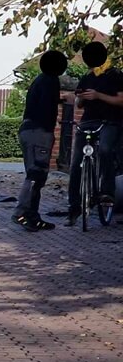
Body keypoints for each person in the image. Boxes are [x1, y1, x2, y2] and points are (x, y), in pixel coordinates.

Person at [65, 40, 123, 226]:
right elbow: (79, 104)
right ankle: (74, 207)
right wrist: (80, 99)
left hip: (110, 122)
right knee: (75, 164)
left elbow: (121, 101)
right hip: (88, 121)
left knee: (105, 150)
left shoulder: (115, 75)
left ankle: (107, 192)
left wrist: (98, 96)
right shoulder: (87, 77)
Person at [12, 50, 68, 231]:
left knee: (36, 174)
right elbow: (45, 106)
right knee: (36, 174)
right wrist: (48, 128)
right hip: (39, 132)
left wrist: (59, 100)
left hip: (28, 129)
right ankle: (21, 212)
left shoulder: (40, 80)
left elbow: (42, 101)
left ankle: (32, 216)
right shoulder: (51, 81)